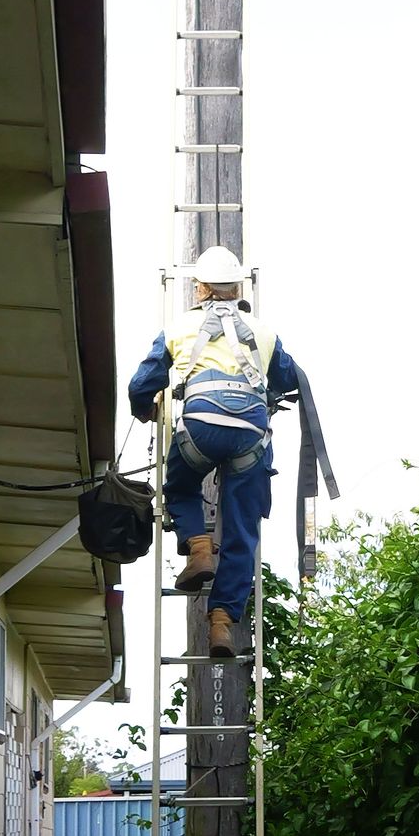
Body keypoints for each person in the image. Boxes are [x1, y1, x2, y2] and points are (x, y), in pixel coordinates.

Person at [128, 247, 299, 658]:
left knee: (181, 487)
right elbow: (289, 376)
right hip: (249, 436)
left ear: (199, 288)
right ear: (239, 287)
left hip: (199, 429)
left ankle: (198, 547)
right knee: (242, 529)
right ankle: (222, 620)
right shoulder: (263, 332)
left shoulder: (177, 328)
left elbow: (140, 385)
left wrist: (147, 411)